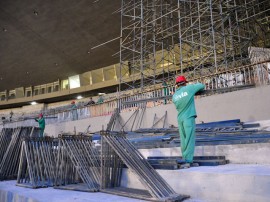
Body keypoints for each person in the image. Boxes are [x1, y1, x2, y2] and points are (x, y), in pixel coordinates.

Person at [172, 75, 205, 168]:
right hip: (188, 117)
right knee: (190, 139)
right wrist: (192, 85)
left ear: (177, 85)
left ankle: (184, 157)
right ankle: (188, 160)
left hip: (180, 118)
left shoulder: (174, 96)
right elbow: (202, 86)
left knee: (183, 139)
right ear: (185, 82)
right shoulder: (189, 89)